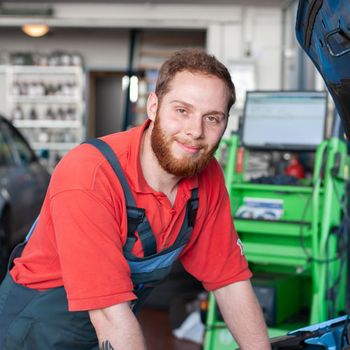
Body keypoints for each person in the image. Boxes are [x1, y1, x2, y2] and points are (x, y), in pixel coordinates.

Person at [0, 48, 270, 350]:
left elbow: (230, 282)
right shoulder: (90, 175)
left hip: (104, 334)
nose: (195, 131)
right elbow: (110, 315)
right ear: (153, 106)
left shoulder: (206, 176)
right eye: (182, 110)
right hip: (32, 332)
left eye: (212, 118)